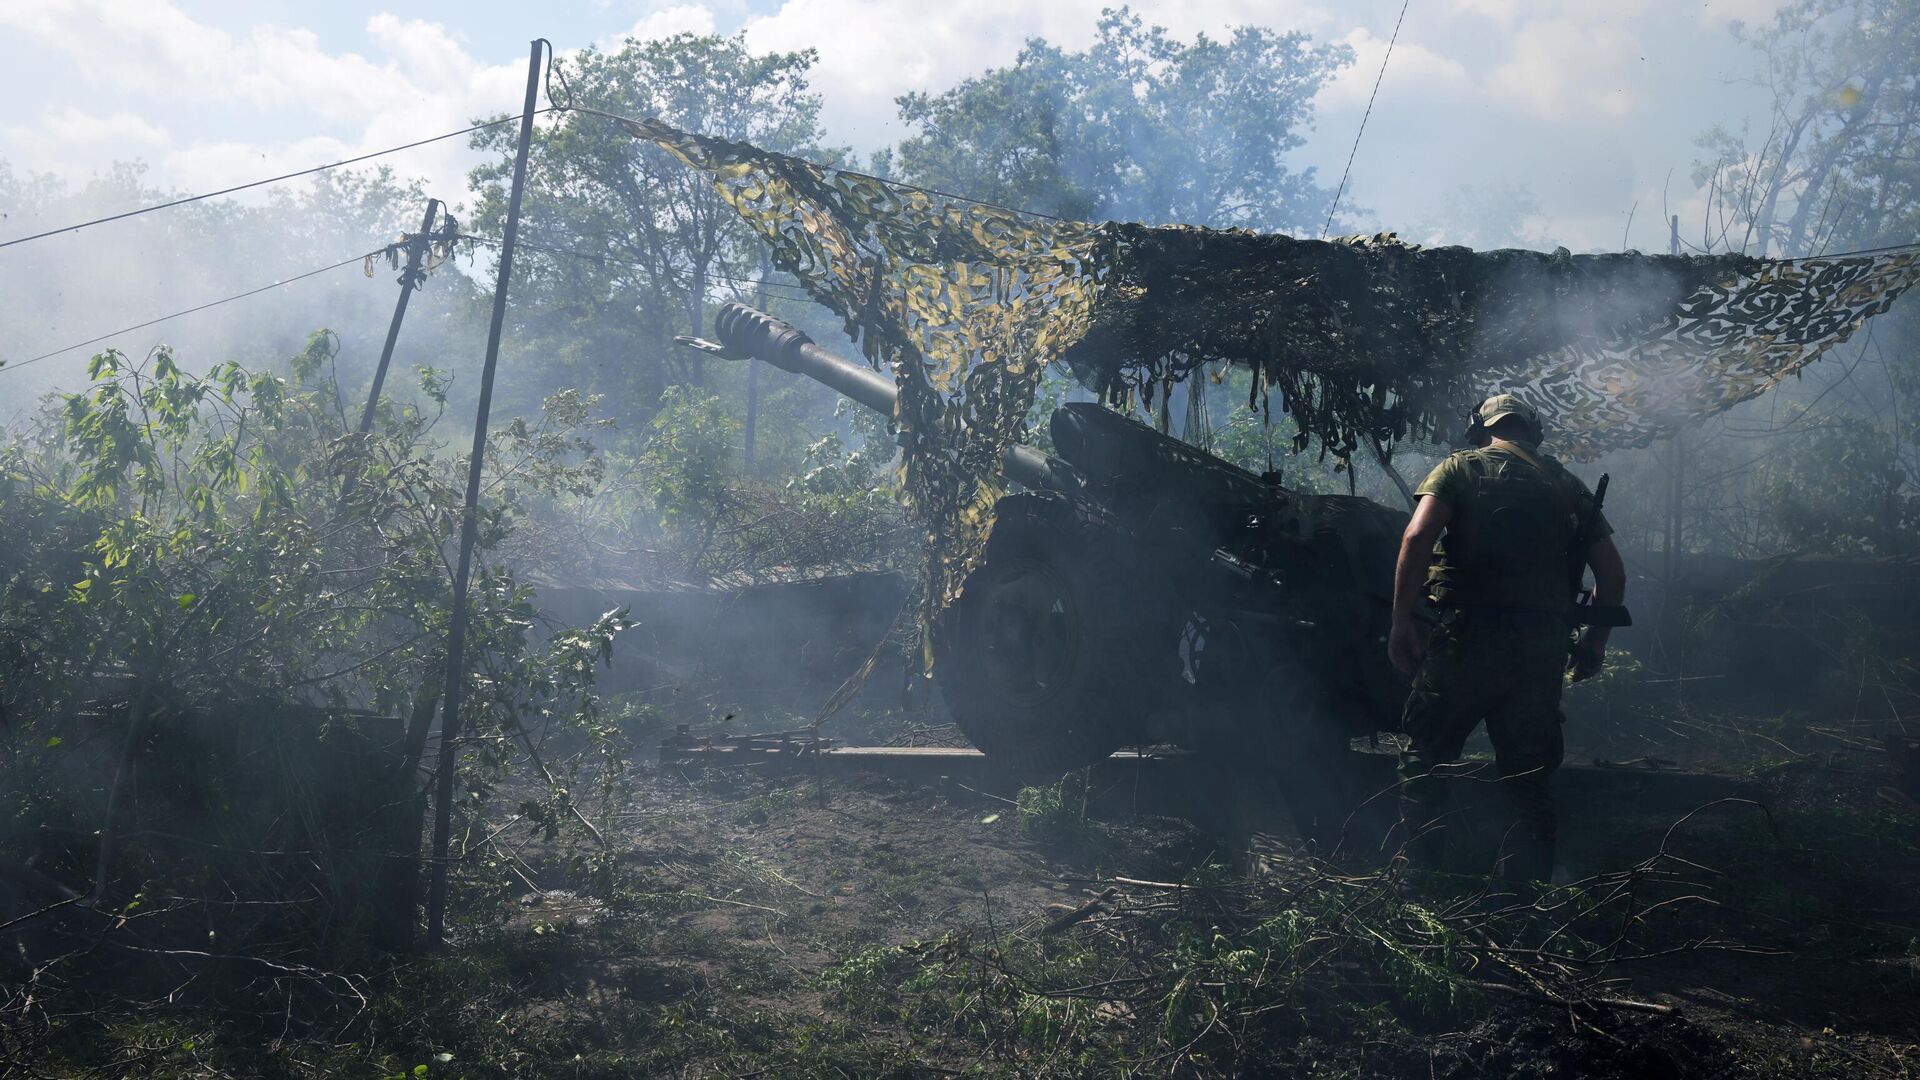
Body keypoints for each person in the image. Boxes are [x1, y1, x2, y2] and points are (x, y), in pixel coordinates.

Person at [1385, 394, 1628, 884]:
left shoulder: (1458, 469)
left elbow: (1416, 539)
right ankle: (1525, 888)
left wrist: (1400, 622)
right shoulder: (1567, 486)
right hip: (1540, 647)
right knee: (1528, 774)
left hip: (1465, 638)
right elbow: (1612, 574)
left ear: (1481, 428)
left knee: (1426, 757)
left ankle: (1422, 878)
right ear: (1533, 430)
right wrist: (1595, 642)